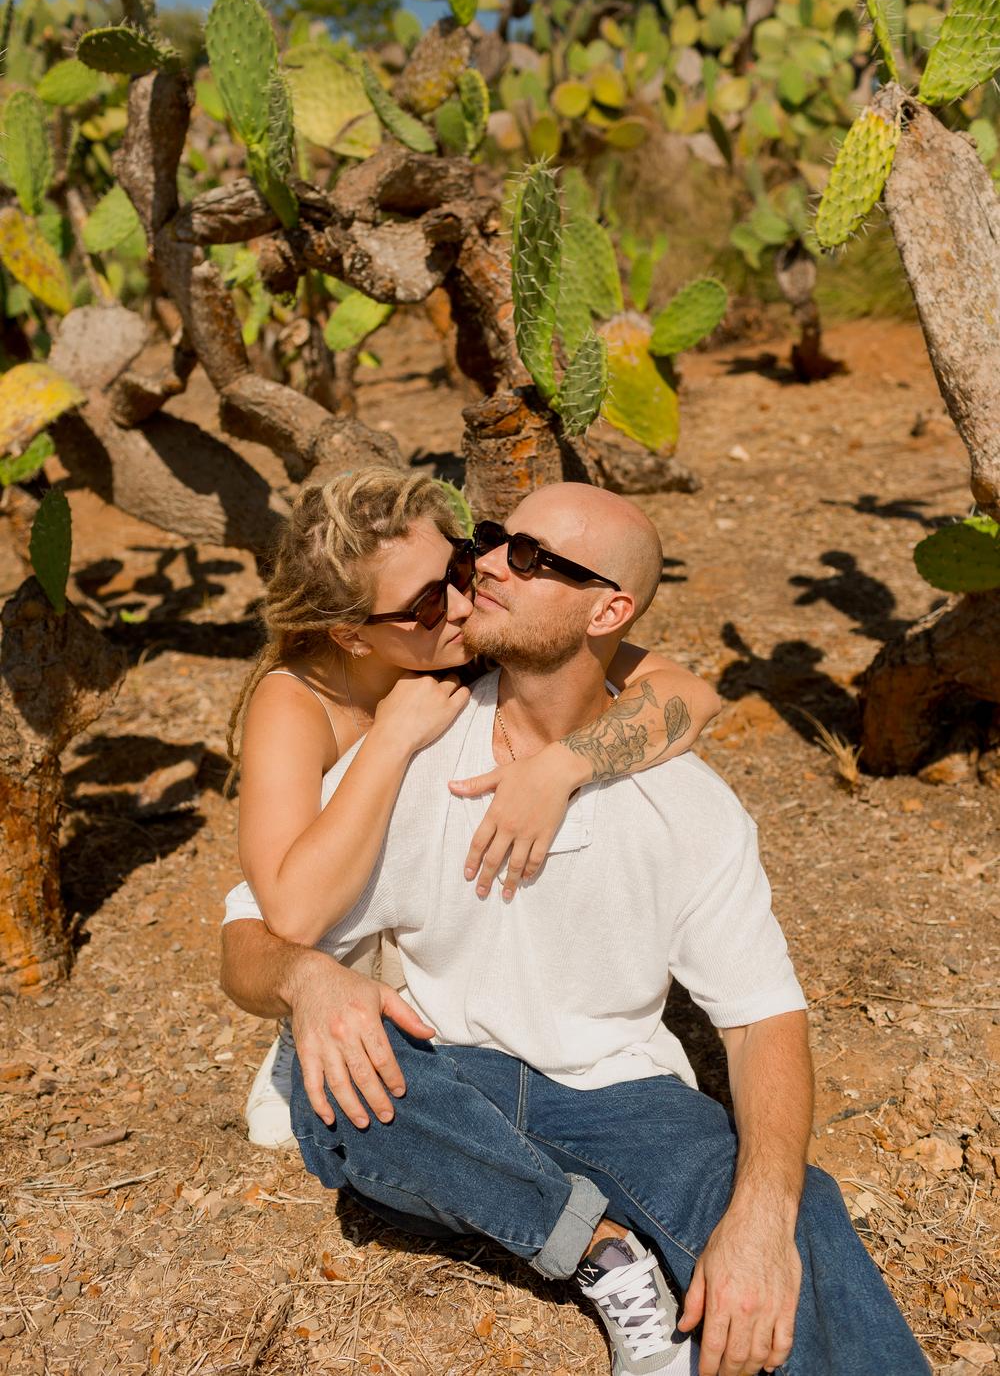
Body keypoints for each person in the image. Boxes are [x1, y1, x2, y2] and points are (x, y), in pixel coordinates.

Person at [221, 483, 929, 1376]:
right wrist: (311, 982)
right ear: (359, 635)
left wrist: (758, 1216)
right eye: (490, 547)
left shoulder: (686, 803)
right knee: (343, 1087)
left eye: (522, 557)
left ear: (609, 609)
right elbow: (268, 922)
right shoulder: (397, 743)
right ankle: (599, 1246)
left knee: (794, 1211)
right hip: (447, 1066)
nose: (480, 572)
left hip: (621, 1098)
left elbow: (761, 1019)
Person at [226, 468, 722, 1148]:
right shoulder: (298, 702)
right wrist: (392, 737)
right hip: (353, 935)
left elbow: (687, 696)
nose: (463, 604)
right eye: (427, 605)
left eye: (459, 568)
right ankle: (316, 1037)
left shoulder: (481, 639)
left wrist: (561, 767)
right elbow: (292, 914)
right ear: (353, 637)